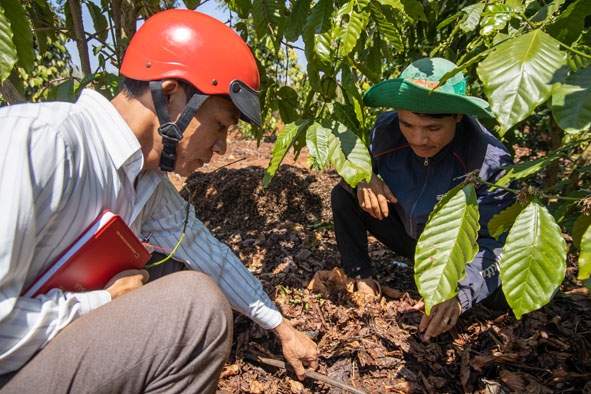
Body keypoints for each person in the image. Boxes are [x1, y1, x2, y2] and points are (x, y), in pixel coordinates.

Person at [0, 9, 317, 393]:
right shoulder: (41, 143)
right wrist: (99, 303)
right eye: (220, 125)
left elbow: (206, 252)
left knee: (169, 273)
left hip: (37, 358)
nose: (221, 147)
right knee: (195, 307)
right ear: (170, 95)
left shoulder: (145, 183)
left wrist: (282, 328)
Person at [331, 57, 515, 341]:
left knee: (502, 295)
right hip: (408, 233)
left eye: (433, 129)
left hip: (457, 251)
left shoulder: (489, 161)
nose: (419, 139)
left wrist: (461, 292)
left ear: (458, 116)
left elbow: (498, 243)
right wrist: (363, 178)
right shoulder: (386, 132)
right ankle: (361, 277)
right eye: (408, 125)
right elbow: (351, 163)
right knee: (343, 195)